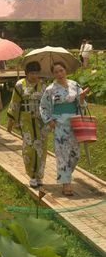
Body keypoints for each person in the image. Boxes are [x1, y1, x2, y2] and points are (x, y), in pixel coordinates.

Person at [40, 61, 89, 196]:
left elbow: (82, 104)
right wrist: (49, 120)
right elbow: (43, 106)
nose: (59, 74)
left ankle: (65, 175)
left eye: (61, 70)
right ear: (53, 74)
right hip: (60, 125)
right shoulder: (50, 89)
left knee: (75, 155)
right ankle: (66, 184)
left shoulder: (75, 85)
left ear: (65, 70)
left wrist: (82, 98)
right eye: (56, 72)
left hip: (75, 124)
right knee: (62, 155)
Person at [7, 61, 48, 188]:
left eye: (36, 73)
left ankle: (39, 175)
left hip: (41, 122)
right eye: (32, 73)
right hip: (26, 121)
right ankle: (31, 175)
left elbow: (48, 105)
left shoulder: (44, 87)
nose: (34, 76)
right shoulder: (20, 85)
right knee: (29, 148)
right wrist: (11, 122)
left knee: (41, 148)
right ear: (27, 73)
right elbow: (15, 103)